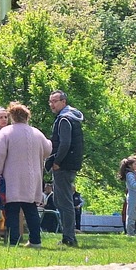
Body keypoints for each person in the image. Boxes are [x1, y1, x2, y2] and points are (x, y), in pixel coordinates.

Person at [0, 102, 52, 248]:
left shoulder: (6, 133)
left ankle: (14, 240)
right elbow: (48, 150)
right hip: (33, 178)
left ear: (12, 117)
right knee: (31, 210)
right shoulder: (37, 133)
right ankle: (35, 241)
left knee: (12, 209)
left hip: (13, 177)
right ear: (27, 117)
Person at [47, 90, 84, 248]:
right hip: (70, 164)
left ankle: (69, 237)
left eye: (55, 101)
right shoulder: (72, 117)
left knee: (65, 202)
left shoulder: (64, 119)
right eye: (50, 102)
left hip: (64, 165)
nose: (52, 105)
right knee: (59, 200)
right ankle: (67, 235)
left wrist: (57, 161)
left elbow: (65, 143)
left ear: (63, 102)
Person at [119, 155, 136, 236]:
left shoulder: (134, 174)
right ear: (130, 165)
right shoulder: (130, 174)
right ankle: (130, 233)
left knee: (134, 214)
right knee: (131, 215)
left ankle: (132, 232)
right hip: (132, 196)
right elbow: (134, 185)